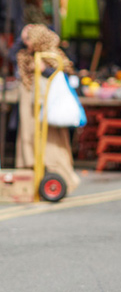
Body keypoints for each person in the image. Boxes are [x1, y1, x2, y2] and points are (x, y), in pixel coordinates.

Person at [16, 24, 81, 193]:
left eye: (29, 39)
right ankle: (31, 180)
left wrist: (45, 71)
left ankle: (60, 177)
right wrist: (22, 35)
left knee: (52, 145)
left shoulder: (52, 55)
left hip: (48, 109)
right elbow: (11, 52)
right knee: (29, 141)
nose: (26, 43)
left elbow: (64, 74)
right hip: (31, 108)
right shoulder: (26, 54)